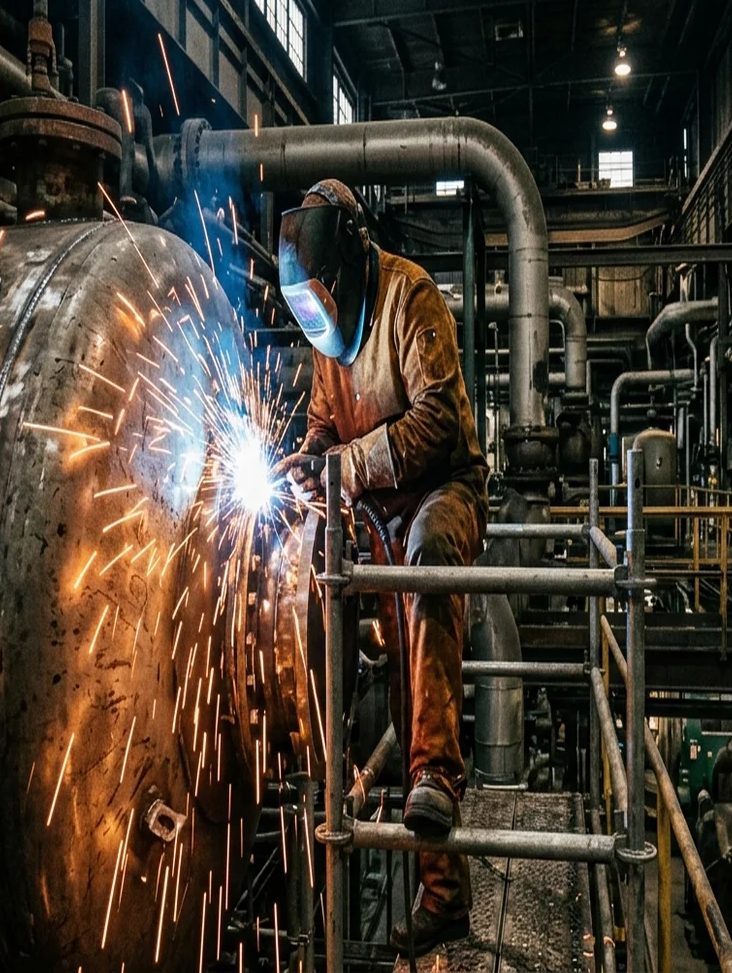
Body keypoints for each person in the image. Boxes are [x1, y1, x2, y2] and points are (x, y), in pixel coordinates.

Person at [272, 179, 488, 952]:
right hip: (376, 511)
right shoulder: (327, 336)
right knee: (404, 694)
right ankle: (444, 897)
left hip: (442, 493)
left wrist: (348, 467)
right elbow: (325, 428)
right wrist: (307, 459)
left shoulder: (409, 296)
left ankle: (435, 779)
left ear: (356, 260)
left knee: (428, 566)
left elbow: (436, 422)